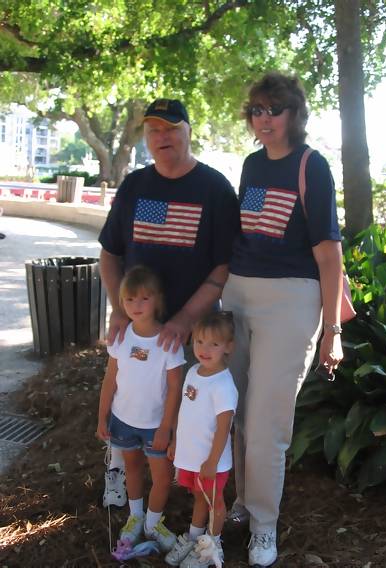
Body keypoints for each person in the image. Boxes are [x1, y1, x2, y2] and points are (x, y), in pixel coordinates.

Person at [222, 71, 344, 566]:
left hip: (292, 300)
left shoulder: (312, 167)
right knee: (230, 410)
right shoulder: (251, 165)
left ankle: (264, 525)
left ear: (294, 113)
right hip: (238, 294)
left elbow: (330, 254)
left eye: (273, 109)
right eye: (256, 110)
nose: (263, 119)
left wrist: (331, 331)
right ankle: (239, 506)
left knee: (267, 421)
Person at [98, 98, 240, 507]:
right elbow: (110, 253)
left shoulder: (214, 189)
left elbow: (223, 267)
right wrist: (118, 307)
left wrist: (184, 319)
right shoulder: (135, 186)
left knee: (184, 414)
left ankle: (187, 495)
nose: (162, 137)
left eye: (171, 128)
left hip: (193, 335)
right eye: (153, 130)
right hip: (139, 329)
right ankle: (119, 474)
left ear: (188, 132)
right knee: (129, 399)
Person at [96, 265, 185, 551]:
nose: (136, 305)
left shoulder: (169, 342)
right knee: (132, 469)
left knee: (161, 476)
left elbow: (174, 389)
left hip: (155, 425)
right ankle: (135, 518)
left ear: (157, 300)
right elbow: (110, 380)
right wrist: (102, 419)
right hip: (122, 421)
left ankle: (153, 523)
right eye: (129, 300)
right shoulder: (121, 337)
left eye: (144, 298)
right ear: (121, 302)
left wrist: (167, 427)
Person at [165, 312, 238, 567]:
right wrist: (176, 442)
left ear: (228, 347)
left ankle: (213, 545)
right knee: (199, 498)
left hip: (211, 461)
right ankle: (196, 539)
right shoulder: (194, 371)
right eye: (199, 342)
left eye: (214, 344)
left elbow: (223, 427)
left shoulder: (223, 385)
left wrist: (212, 461)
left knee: (214, 503)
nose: (204, 350)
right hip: (192, 456)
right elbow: (186, 414)